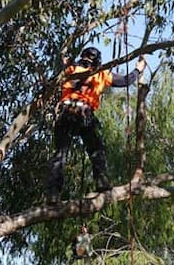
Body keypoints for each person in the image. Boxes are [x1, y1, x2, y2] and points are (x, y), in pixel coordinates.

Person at [46, 47, 146, 204]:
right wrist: (138, 69)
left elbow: (54, 79)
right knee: (96, 150)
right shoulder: (101, 73)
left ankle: (53, 193)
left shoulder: (70, 69)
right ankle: (101, 181)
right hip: (84, 113)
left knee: (60, 153)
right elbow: (126, 80)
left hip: (65, 113)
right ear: (97, 60)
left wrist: (64, 59)